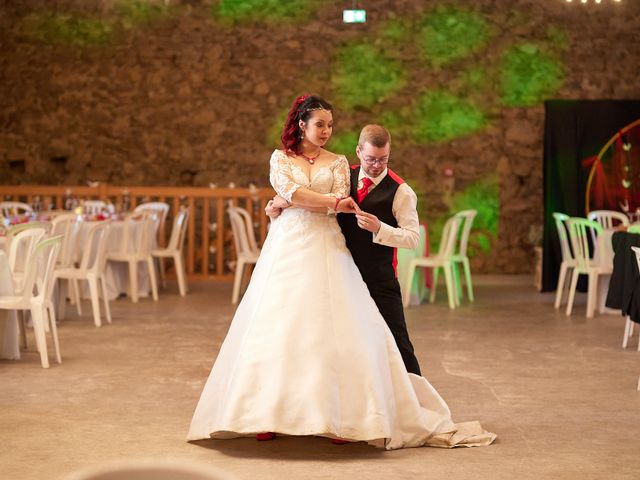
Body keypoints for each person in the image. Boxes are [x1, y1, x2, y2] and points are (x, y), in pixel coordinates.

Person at [187, 94, 495, 449]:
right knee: (279, 326)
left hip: (337, 253)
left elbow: (328, 202)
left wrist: (306, 202)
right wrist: (292, 202)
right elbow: (295, 192)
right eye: (320, 124)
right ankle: (266, 412)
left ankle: (353, 413)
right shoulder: (281, 159)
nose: (326, 131)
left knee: (343, 331)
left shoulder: (349, 169)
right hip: (289, 248)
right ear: (302, 124)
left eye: (330, 125)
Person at [268, 124, 421, 376]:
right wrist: (279, 204)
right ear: (358, 152)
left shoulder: (401, 191)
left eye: (383, 160)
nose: (376, 165)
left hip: (377, 277)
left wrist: (379, 228)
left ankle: (416, 401)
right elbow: (308, 199)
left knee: (398, 342)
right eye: (371, 159)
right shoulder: (340, 176)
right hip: (339, 273)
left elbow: (412, 238)